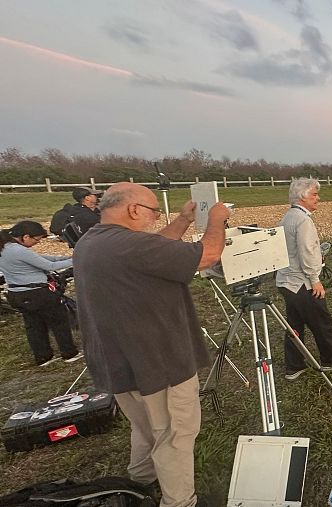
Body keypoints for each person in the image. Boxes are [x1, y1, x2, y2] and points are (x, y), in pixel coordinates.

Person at [74, 182, 229, 507]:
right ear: (133, 209)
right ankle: (179, 502)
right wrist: (217, 219)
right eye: (154, 211)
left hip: (120, 364)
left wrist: (184, 220)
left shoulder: (93, 241)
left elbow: (154, 247)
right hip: (160, 365)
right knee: (175, 435)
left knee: (146, 428)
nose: (156, 217)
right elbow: (209, 254)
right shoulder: (132, 247)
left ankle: (140, 483)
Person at [276, 178, 332, 378]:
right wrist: (315, 280)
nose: (318, 198)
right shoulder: (303, 220)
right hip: (302, 283)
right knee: (322, 322)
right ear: (302, 197)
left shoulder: (288, 217)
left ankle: (294, 366)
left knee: (294, 325)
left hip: (286, 282)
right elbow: (307, 252)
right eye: (314, 194)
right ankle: (330, 360)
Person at [0, 221, 81, 366]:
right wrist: (78, 260)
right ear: (25, 237)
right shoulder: (19, 251)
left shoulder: (6, 248)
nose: (37, 243)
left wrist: (67, 258)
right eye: (36, 239)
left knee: (34, 325)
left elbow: (42, 259)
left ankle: (43, 357)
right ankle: (69, 353)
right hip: (37, 293)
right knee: (59, 321)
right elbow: (50, 266)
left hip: (16, 293)